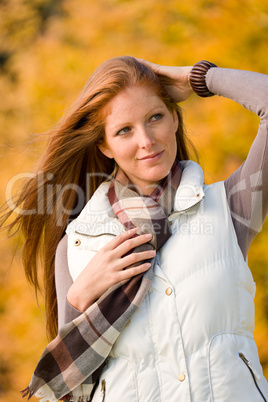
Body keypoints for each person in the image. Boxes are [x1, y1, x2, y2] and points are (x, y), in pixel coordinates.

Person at [3, 56, 268, 401]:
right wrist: (79, 298)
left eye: (155, 117)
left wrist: (195, 77)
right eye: (124, 130)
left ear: (174, 118)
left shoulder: (231, 207)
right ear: (104, 145)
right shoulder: (78, 244)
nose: (146, 140)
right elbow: (73, 386)